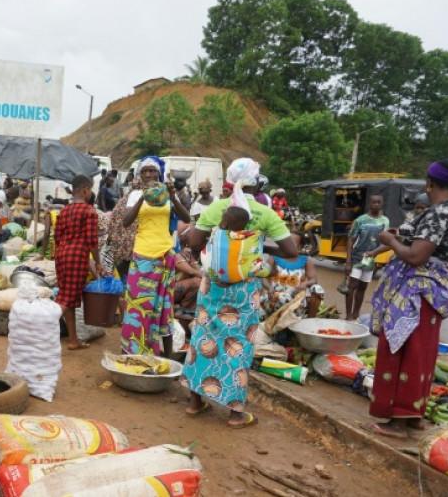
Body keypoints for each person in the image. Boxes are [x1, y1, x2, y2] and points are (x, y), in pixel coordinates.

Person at [183, 158, 297, 428]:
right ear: (256, 182)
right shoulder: (266, 213)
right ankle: (235, 412)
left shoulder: (217, 208)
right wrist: (260, 247)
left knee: (203, 338)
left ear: (229, 181)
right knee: (238, 345)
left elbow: (194, 241)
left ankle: (195, 401)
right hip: (243, 291)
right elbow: (291, 251)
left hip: (213, 287)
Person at [368, 159, 448, 439]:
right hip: (435, 291)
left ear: (430, 183)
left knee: (403, 348)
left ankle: (398, 421)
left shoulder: (439, 214)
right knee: (422, 351)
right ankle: (414, 417)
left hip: (416, 292)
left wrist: (390, 241)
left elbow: (416, 256)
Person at [120, 156, 190, 356]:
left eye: (152, 171)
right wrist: (142, 197)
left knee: (164, 307)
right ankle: (132, 351)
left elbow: (186, 218)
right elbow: (125, 222)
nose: (149, 174)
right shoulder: (134, 195)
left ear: (159, 173)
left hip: (164, 256)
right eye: (145, 171)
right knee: (137, 307)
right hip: (142, 256)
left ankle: (166, 357)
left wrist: (173, 195)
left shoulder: (168, 195)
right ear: (140, 175)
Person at [55, 175, 104, 350]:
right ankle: (41, 326)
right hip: (77, 257)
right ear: (85, 190)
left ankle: (73, 340)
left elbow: (57, 237)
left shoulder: (64, 211)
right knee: (67, 300)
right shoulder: (89, 212)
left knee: (67, 296)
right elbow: (92, 241)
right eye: (90, 189)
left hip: (61, 256)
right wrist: (98, 262)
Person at [345, 195, 389, 320]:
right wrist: (348, 261)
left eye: (378, 202)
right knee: (352, 286)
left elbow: (385, 242)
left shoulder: (385, 221)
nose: (376, 204)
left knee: (363, 287)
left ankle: (356, 314)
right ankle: (348, 316)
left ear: (382, 204)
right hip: (357, 257)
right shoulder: (360, 220)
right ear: (369, 204)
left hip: (370, 259)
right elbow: (350, 240)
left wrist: (375, 253)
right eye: (373, 202)